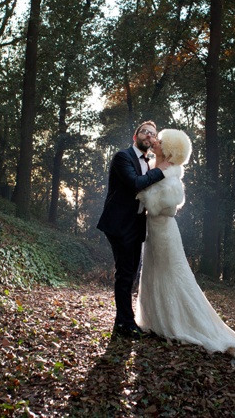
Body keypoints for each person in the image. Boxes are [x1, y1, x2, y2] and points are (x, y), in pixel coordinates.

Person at [135, 129, 235, 366]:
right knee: (153, 273)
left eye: (161, 141)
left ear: (169, 150)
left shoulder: (171, 173)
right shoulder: (152, 165)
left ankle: (176, 322)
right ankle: (155, 319)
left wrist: (145, 197)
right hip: (152, 231)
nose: (156, 142)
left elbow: (168, 205)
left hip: (165, 231)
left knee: (172, 276)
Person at [97, 121, 168, 339]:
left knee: (131, 274)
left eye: (153, 134)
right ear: (134, 137)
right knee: (125, 274)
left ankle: (124, 321)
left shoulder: (148, 163)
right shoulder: (123, 157)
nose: (149, 136)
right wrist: (161, 171)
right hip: (119, 224)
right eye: (145, 132)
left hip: (137, 225)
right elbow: (135, 182)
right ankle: (124, 324)